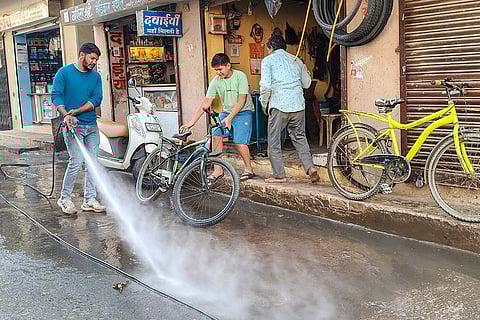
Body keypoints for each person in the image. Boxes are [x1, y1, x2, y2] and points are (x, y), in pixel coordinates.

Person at [181, 53, 256, 182]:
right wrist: (192, 122)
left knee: (239, 142)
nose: (218, 72)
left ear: (228, 65)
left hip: (243, 111)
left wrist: (230, 118)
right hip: (226, 112)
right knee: (216, 136)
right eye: (216, 70)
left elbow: (242, 101)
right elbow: (206, 103)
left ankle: (249, 169)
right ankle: (218, 170)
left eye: (220, 69)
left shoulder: (240, 76)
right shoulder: (216, 81)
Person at [52, 43, 106, 215]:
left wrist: (77, 110)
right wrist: (66, 114)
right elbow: (56, 95)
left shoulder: (95, 76)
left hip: (91, 125)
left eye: (96, 60)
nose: (94, 62)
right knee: (76, 161)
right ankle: (65, 198)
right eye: (92, 58)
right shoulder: (64, 73)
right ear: (82, 55)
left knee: (93, 163)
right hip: (72, 125)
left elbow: (97, 98)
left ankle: (89, 199)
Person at [260, 35, 320, 184]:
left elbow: (266, 86)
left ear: (270, 48)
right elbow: (307, 84)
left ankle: (279, 175)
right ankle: (310, 168)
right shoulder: (297, 60)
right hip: (298, 106)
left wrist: (264, 104)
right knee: (300, 137)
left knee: (274, 142)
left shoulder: (268, 60)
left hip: (279, 105)